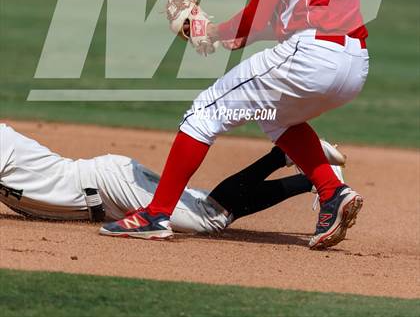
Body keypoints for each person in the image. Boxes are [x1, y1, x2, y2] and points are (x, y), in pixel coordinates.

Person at [101, 0, 369, 249]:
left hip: (314, 53)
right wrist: (227, 35)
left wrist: (210, 34)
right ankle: (332, 192)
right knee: (276, 117)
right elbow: (274, 18)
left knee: (204, 112)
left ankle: (156, 214)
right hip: (354, 62)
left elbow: (260, 14)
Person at [0, 123, 345, 234]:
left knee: (210, 218)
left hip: (106, 185)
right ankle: (298, 165)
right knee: (206, 206)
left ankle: (305, 170)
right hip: (105, 192)